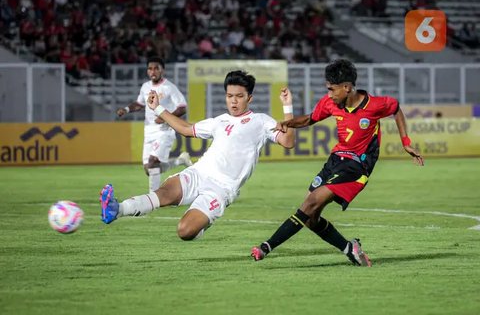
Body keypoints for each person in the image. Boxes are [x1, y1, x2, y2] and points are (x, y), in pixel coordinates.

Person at [250, 59, 424, 266]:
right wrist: (288, 123)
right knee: (311, 218)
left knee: (309, 204)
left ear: (347, 87)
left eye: (332, 89)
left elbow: (396, 109)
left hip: (357, 166)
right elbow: (309, 119)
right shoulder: (330, 103)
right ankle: (350, 249)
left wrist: (406, 142)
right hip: (335, 160)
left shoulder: (375, 105)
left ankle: (265, 247)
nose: (329, 94)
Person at [100, 70, 296, 241]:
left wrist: (287, 108)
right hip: (199, 173)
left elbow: (288, 142)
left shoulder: (260, 121)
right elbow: (186, 129)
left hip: (221, 189)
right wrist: (157, 108)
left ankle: (201, 224)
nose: (233, 101)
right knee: (164, 193)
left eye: (239, 96)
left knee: (184, 231)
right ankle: (117, 209)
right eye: (229, 96)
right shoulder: (219, 121)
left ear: (249, 98)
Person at [116, 56, 193, 192]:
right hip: (149, 130)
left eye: (156, 68)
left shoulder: (169, 87)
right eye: (150, 69)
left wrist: (165, 117)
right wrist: (126, 109)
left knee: (152, 162)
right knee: (149, 169)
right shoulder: (145, 87)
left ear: (162, 70)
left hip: (164, 130)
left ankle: (154, 198)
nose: (153, 71)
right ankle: (180, 161)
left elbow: (182, 107)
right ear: (147, 71)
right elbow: (139, 104)